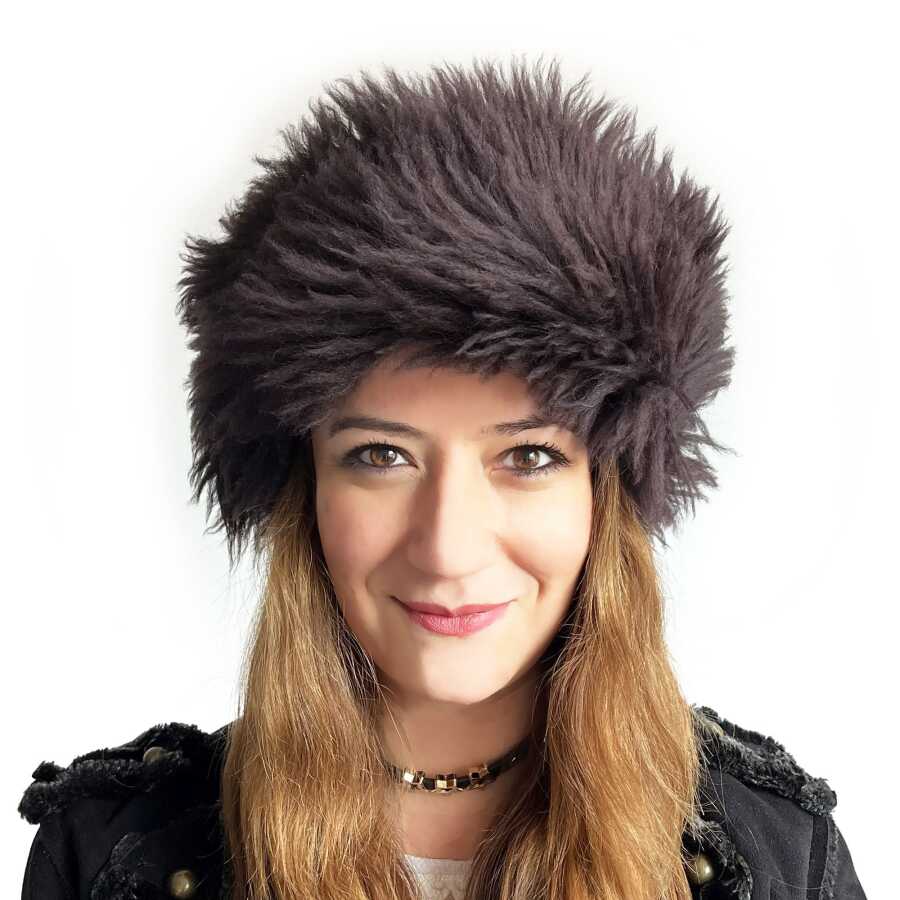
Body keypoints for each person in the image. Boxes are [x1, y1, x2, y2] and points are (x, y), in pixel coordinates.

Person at [17, 57, 867, 900]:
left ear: (601, 496)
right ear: (303, 490)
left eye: (527, 457)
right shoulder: (108, 856)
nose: (449, 549)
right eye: (381, 456)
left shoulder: (781, 860)